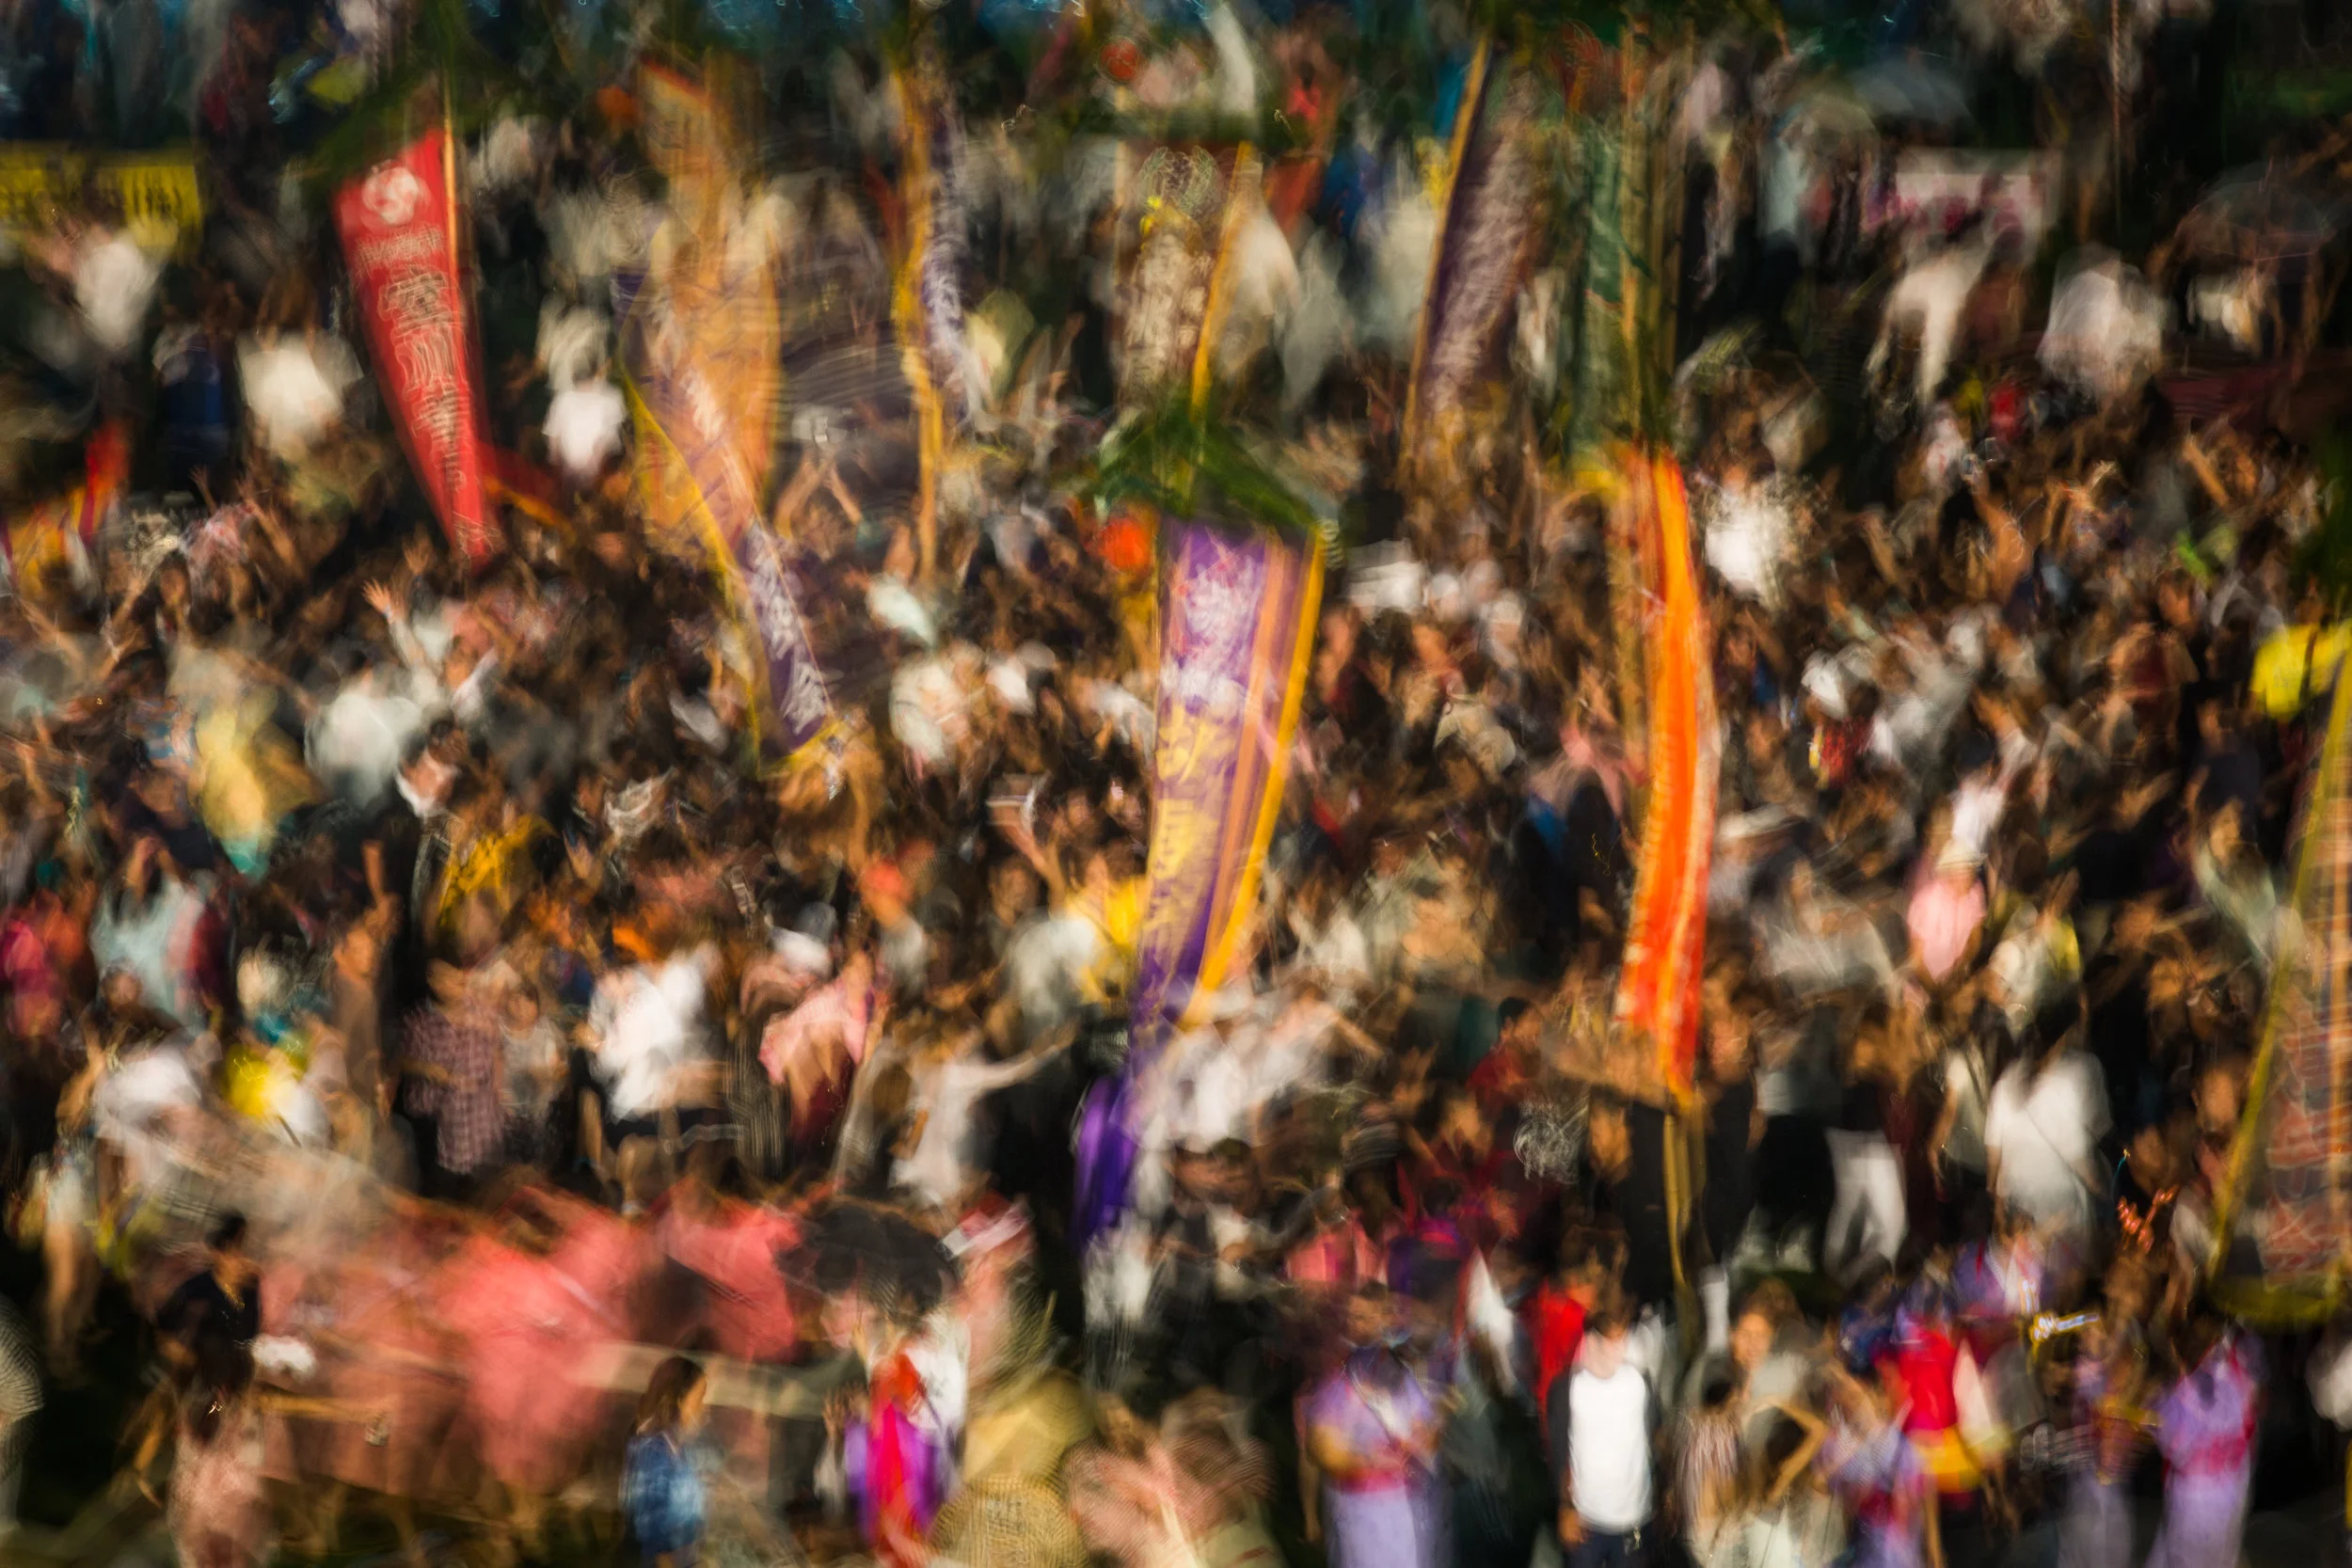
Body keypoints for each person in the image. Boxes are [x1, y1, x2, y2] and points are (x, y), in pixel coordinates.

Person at [1550, 1304, 1661, 1568]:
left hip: (1633, 1521)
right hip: (1587, 1523)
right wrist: (1564, 1507)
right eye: (1609, 1343)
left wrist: (1662, 1492)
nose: (1617, 1351)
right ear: (1590, 1340)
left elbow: (1655, 1437)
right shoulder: (1567, 1388)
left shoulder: (1639, 1382)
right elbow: (1556, 1451)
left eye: (1622, 1341)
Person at [622, 1354, 714, 1568]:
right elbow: (652, 1536)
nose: (703, 1409)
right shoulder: (651, 1452)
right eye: (699, 1399)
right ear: (679, 1401)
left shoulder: (678, 1449)